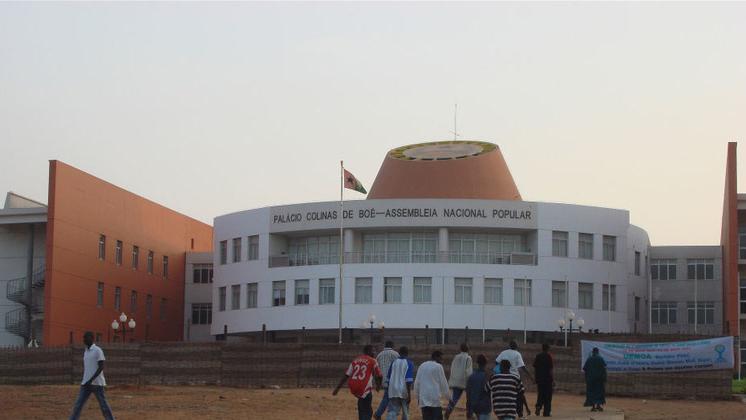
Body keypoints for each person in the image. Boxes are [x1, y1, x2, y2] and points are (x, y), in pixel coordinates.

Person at [68, 331, 115, 420]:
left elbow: (101, 367)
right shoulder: (86, 351)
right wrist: (87, 380)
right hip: (85, 384)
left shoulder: (98, 350)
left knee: (104, 406)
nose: (84, 339)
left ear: (92, 338)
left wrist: (91, 379)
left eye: (86, 337)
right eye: (84, 338)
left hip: (97, 384)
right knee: (78, 405)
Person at [333, 344, 383, 420]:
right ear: (368, 351)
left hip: (353, 387)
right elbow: (380, 375)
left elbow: (346, 375)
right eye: (373, 351)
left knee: (362, 405)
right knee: (368, 411)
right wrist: (378, 386)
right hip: (364, 388)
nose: (374, 352)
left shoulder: (355, 360)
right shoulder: (373, 360)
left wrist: (337, 389)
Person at [495, 341, 533, 418]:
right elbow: (522, 367)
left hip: (504, 376)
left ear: (509, 346)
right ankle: (520, 414)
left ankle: (505, 412)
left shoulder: (503, 352)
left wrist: (500, 370)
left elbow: (496, 362)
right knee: (519, 395)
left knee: (505, 395)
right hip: (514, 377)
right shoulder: (517, 354)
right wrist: (530, 376)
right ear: (516, 347)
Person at [413, 350, 451, 420]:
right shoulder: (438, 367)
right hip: (435, 400)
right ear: (436, 357)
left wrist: (418, 396)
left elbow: (417, 382)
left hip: (423, 399)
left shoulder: (422, 365)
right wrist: (449, 398)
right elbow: (444, 384)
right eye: (440, 358)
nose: (441, 361)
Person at [445, 343, 473, 419]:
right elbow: (469, 372)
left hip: (456, 380)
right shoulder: (468, 358)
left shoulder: (456, 357)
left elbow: (452, 368)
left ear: (460, 349)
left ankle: (449, 409)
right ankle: (469, 414)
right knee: (470, 399)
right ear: (468, 349)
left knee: (454, 398)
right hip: (465, 381)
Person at [386, 346, 415, 420]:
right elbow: (408, 381)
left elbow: (388, 379)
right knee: (405, 411)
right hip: (403, 390)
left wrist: (390, 389)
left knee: (392, 411)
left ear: (399, 353)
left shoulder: (393, 362)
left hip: (393, 390)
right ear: (407, 353)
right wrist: (409, 394)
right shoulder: (409, 363)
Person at [374, 341, 400, 420]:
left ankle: (378, 414)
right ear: (392, 345)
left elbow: (376, 370)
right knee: (389, 398)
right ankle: (379, 413)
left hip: (382, 379)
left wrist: (377, 384)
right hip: (392, 380)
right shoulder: (395, 354)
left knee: (387, 397)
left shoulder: (379, 355)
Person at [465, 354, 491, 420]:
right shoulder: (487, 376)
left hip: (474, 407)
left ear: (477, 363)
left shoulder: (471, 377)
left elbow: (468, 394)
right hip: (485, 407)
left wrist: (468, 409)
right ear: (486, 364)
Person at [583, 347, 607, 412]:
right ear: (598, 352)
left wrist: (587, 377)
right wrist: (604, 378)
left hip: (590, 380)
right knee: (599, 392)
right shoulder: (601, 359)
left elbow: (585, 369)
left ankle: (593, 407)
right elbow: (604, 369)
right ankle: (598, 406)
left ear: (593, 352)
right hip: (599, 380)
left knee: (591, 392)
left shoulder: (589, 359)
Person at [533, 343, 554, 417]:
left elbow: (535, 368)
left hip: (539, 379)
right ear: (548, 349)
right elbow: (550, 369)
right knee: (548, 396)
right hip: (547, 379)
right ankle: (546, 412)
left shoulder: (538, 356)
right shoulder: (549, 356)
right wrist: (553, 379)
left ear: (542, 348)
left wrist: (535, 378)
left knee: (540, 394)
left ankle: (538, 406)